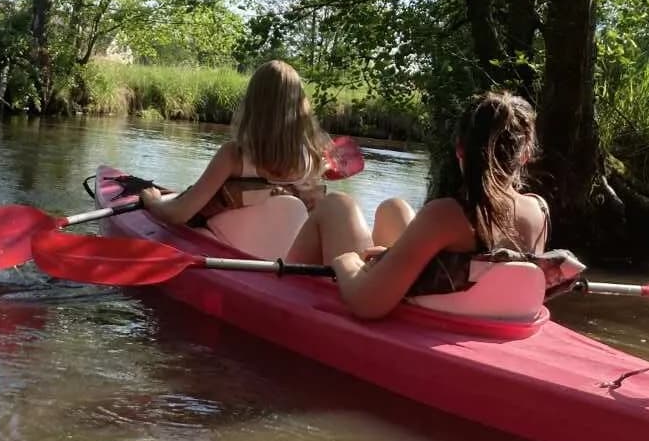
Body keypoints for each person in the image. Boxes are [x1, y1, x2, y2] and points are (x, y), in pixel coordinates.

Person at [286, 90, 550, 319]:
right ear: (525, 156)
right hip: (484, 316)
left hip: (427, 322)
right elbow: (471, 271)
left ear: (460, 150)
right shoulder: (539, 212)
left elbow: (367, 304)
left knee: (336, 205)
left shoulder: (447, 214)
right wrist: (392, 256)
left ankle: (277, 293)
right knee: (395, 208)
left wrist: (345, 261)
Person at [140, 60, 328, 227]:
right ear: (300, 106)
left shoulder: (233, 156)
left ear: (253, 103)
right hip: (280, 250)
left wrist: (153, 202)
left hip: (227, 242)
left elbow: (179, 214)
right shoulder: (312, 157)